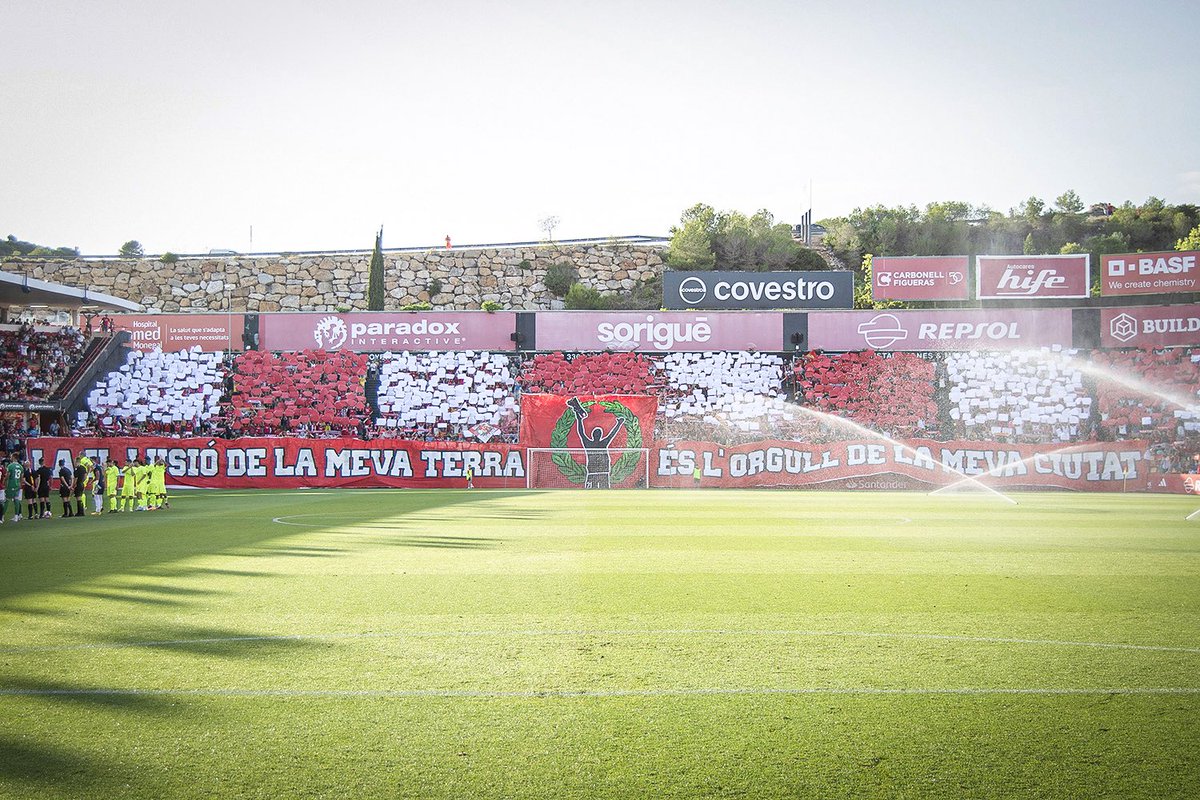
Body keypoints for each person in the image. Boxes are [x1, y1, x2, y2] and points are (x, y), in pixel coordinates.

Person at [4, 452, 24, 522]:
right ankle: (16, 517)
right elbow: (21, 478)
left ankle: (1, 517)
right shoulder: (21, 467)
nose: (10, 458)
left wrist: (4, 482)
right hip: (17, 485)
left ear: (14, 457)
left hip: (11, 485)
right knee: (16, 500)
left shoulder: (10, 466)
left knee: (6, 500)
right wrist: (20, 485)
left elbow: (7, 476)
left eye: (11, 456)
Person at [73, 453, 93, 518]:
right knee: (82, 491)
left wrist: (87, 473)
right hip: (83, 478)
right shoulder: (87, 460)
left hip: (81, 479)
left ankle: (82, 508)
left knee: (80, 494)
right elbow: (91, 467)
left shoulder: (83, 460)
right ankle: (82, 508)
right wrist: (87, 474)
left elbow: (89, 467)